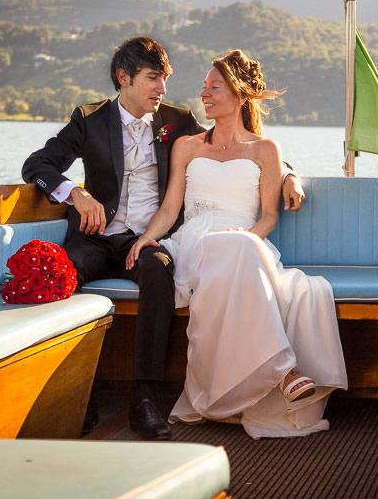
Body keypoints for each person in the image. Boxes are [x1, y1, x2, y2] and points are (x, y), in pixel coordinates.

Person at [22, 37, 306, 440]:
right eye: (154, 78)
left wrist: (290, 174)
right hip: (94, 238)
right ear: (124, 78)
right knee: (63, 279)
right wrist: (77, 193)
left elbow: (236, 145)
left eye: (165, 79)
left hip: (150, 240)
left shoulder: (177, 120)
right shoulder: (89, 119)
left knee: (158, 274)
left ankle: (144, 401)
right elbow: (38, 164)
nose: (163, 89)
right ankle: (73, 397)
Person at [126, 49, 347, 438]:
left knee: (240, 248)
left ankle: (278, 370)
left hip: (247, 242)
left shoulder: (266, 150)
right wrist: (145, 239)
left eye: (216, 87)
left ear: (241, 95)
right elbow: (170, 207)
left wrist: (246, 236)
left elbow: (269, 218)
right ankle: (285, 370)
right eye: (204, 87)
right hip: (196, 241)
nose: (205, 94)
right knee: (232, 249)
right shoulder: (188, 146)